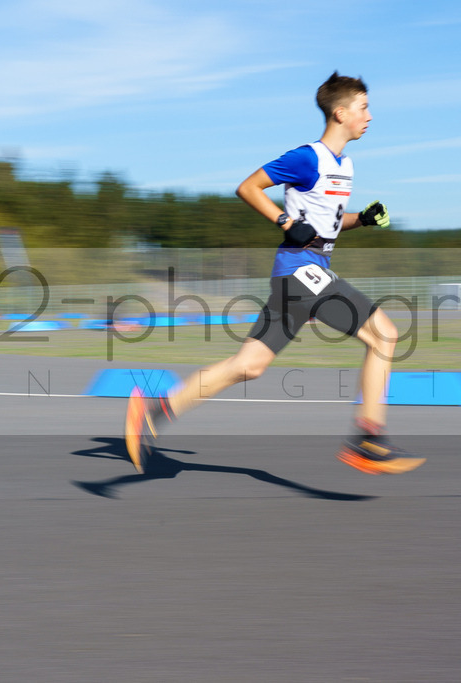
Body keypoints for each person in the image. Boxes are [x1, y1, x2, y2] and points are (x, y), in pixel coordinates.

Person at [124, 72, 425, 476]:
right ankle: (368, 437)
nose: (369, 116)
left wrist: (362, 220)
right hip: (301, 271)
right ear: (341, 112)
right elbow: (248, 187)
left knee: (248, 365)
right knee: (385, 334)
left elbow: (327, 227)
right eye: (364, 107)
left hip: (304, 273)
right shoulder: (307, 157)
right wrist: (284, 221)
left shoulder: (345, 165)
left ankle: (154, 411)